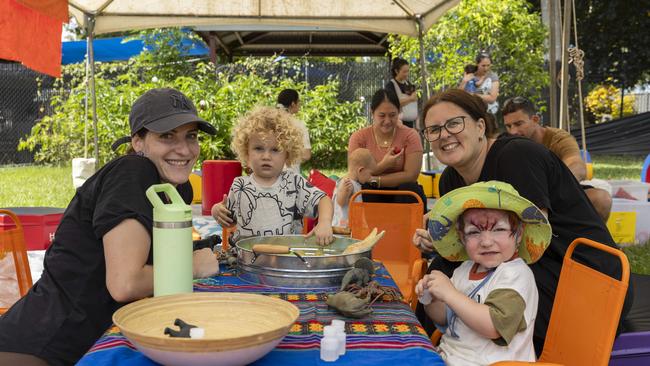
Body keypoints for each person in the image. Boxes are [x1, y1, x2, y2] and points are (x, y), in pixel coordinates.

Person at [0, 88, 221, 366]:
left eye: (191, 136)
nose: (185, 149)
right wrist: (194, 265)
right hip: (44, 347)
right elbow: (125, 284)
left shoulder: (176, 187)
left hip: (87, 339)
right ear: (138, 142)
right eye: (167, 136)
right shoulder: (132, 172)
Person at [411, 88, 633, 355]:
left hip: (584, 276)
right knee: (439, 271)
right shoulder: (450, 179)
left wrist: (454, 292)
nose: (444, 134)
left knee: (459, 281)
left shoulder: (516, 156)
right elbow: (471, 244)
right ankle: (419, 348)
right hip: (523, 265)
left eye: (454, 123)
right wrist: (439, 241)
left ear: (480, 126)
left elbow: (526, 242)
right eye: (433, 130)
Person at [417, 181, 551, 365]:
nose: (486, 242)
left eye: (499, 229)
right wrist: (431, 298)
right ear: (462, 238)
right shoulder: (464, 269)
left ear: (519, 234)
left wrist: (450, 293)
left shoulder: (515, 275)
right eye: (474, 232)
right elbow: (444, 317)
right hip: (449, 357)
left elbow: (494, 326)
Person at [211, 106, 334, 246]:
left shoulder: (293, 183)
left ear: (287, 154)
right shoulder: (240, 185)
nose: (266, 156)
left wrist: (324, 222)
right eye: (258, 148)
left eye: (275, 150)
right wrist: (217, 211)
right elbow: (230, 220)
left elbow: (323, 200)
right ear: (246, 151)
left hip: (286, 260)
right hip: (247, 260)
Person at [502, 96, 613, 221]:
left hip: (557, 193)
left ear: (535, 119)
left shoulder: (558, 138)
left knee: (601, 199)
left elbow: (578, 166)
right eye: (508, 126)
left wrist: (553, 191)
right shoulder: (506, 143)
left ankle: (590, 240)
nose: (513, 131)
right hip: (522, 198)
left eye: (518, 124)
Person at [348, 88, 426, 211]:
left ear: (399, 112)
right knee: (366, 189)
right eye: (382, 116)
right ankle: (371, 229)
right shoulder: (359, 138)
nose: (387, 121)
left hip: (402, 195)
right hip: (371, 195)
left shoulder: (410, 136)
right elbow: (356, 175)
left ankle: (407, 229)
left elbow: (411, 175)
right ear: (372, 112)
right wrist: (383, 166)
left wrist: (374, 179)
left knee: (409, 189)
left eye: (392, 115)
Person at [332, 148, 376, 228]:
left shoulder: (354, 184)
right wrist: (344, 192)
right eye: (370, 174)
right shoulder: (348, 184)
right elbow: (340, 202)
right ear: (361, 170)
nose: (371, 177)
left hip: (351, 227)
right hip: (343, 229)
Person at [277, 88, 311, 173]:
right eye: (298, 101)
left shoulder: (266, 122)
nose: (299, 104)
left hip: (266, 175)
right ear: (293, 103)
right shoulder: (299, 126)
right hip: (291, 175)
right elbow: (306, 155)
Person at [385, 57, 419, 129]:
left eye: (408, 71)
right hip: (397, 125)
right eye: (404, 72)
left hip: (410, 124)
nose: (406, 74)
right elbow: (392, 103)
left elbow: (414, 102)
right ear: (396, 71)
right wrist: (410, 99)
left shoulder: (408, 84)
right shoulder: (390, 86)